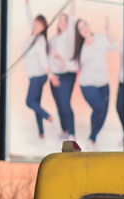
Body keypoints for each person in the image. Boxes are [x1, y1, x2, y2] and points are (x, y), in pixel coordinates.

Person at [74, 16, 120, 149]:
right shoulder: (80, 47)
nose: (84, 30)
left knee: (102, 112)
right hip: (87, 83)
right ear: (79, 33)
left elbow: (113, 46)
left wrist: (108, 30)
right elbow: (76, 64)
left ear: (89, 26)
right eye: (81, 29)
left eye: (85, 26)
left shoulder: (100, 38)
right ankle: (92, 138)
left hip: (103, 83)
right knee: (98, 108)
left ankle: (92, 138)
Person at [22, 0, 55, 142]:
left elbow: (43, 58)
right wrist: (27, 4)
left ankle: (48, 116)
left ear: (43, 28)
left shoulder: (40, 40)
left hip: (39, 75)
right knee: (36, 103)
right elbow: (30, 18)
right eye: (36, 23)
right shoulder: (33, 36)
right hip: (34, 76)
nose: (36, 25)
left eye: (39, 25)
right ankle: (41, 133)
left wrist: (50, 73)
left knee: (30, 102)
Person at [48, 1, 78, 141]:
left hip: (66, 74)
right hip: (55, 75)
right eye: (59, 20)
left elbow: (72, 15)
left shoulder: (69, 33)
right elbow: (49, 57)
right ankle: (65, 130)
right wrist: (51, 75)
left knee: (65, 103)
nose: (62, 23)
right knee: (59, 104)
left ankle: (72, 132)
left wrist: (73, 2)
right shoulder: (53, 38)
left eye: (64, 20)